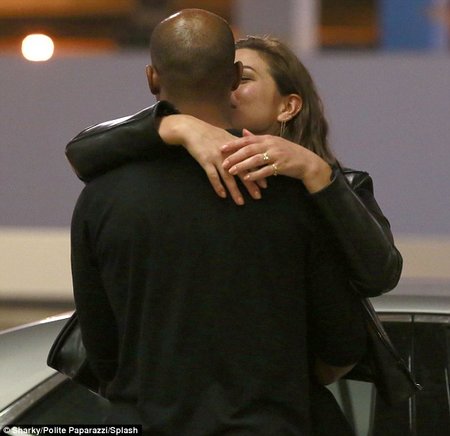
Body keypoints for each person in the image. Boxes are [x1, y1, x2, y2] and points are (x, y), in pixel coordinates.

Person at [70, 9, 365, 435]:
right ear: (233, 78)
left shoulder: (101, 196)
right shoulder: (293, 192)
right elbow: (342, 339)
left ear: (152, 79)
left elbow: (100, 346)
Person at [65, 40, 402, 300]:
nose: (227, 88)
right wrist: (174, 125)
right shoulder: (168, 174)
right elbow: (81, 151)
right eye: (225, 77)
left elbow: (380, 275)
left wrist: (315, 171)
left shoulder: (334, 185)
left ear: (288, 106)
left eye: (242, 78)